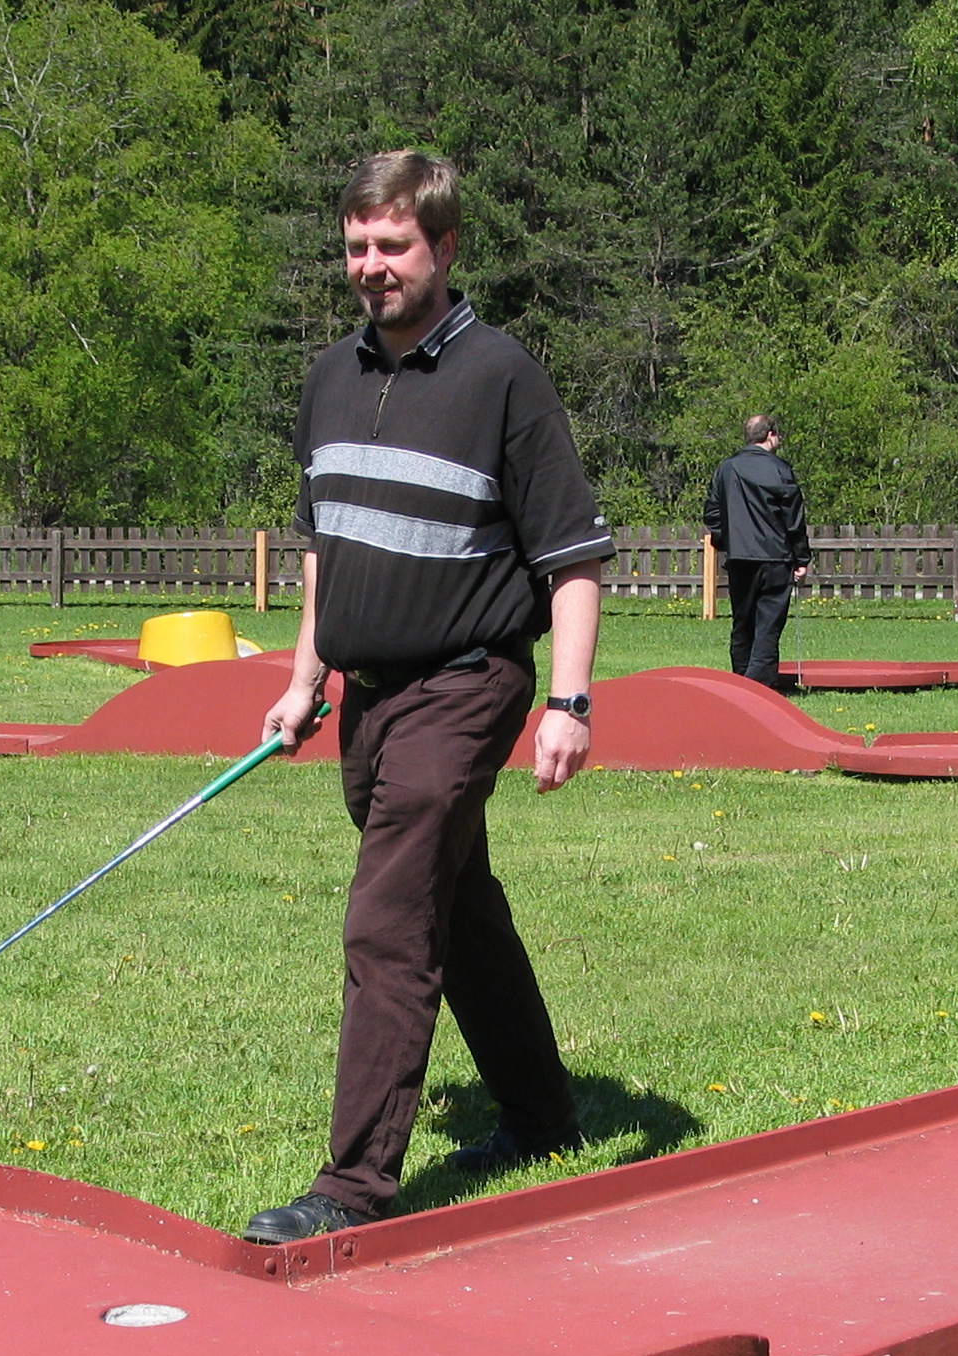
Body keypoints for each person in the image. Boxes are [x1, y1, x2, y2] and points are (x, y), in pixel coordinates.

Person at [244, 149, 609, 1244]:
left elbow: (574, 558)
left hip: (467, 682)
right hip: (368, 699)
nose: (372, 265)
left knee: (389, 918)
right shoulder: (329, 377)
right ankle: (542, 1116)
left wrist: (570, 703)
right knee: (458, 904)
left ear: (443, 248)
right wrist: (303, 678)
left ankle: (351, 1187)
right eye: (357, 245)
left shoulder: (504, 377)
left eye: (393, 245)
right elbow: (328, 546)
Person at [702, 415, 812, 690]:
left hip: (740, 558)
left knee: (743, 623)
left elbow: (712, 513)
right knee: (767, 626)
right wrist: (801, 559)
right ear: (771, 435)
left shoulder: (726, 468)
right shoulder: (780, 469)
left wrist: (729, 541)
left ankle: (741, 682)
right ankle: (758, 688)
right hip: (776, 557)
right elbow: (793, 519)